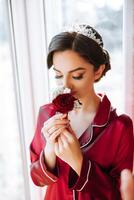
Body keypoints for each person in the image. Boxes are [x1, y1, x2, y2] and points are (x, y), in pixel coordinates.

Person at [30, 24, 134, 200]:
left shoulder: (120, 127)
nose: (66, 85)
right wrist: (49, 150)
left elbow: (120, 194)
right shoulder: (47, 114)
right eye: (58, 75)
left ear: (98, 70)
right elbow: (37, 179)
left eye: (77, 75)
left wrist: (79, 162)